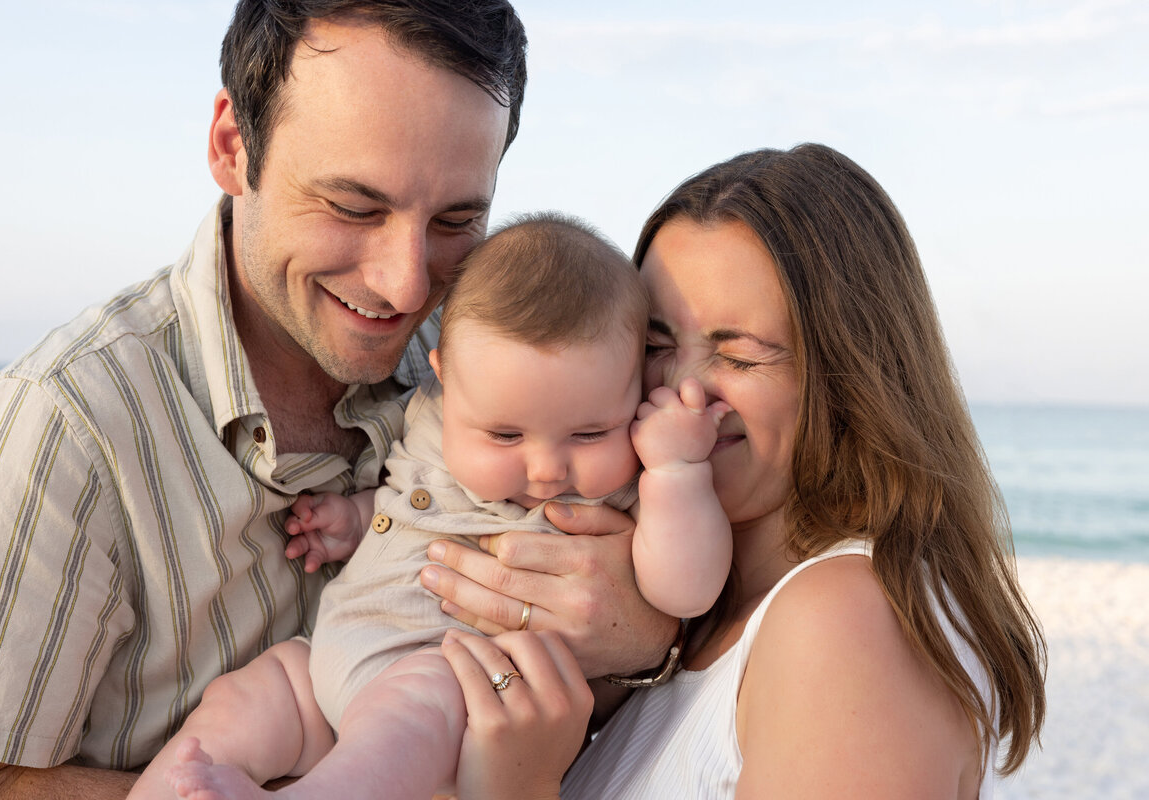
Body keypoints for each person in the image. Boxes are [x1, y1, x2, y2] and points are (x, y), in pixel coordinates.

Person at [0, 3, 675, 797]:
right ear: (233, 147)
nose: (406, 283)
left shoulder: (489, 361)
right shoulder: (66, 430)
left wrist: (644, 636)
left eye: (457, 219)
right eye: (354, 207)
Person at [431, 143, 1049, 798]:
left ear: (849, 377)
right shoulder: (686, 627)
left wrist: (515, 787)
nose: (684, 390)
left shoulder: (845, 622)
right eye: (655, 345)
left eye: (741, 357)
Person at [128, 212, 732, 799]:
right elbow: (410, 499)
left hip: (457, 695)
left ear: (635, 391)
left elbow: (686, 590)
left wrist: (680, 472)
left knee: (417, 701)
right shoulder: (430, 418)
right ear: (445, 378)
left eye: (589, 433)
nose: (547, 468)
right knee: (240, 702)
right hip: (329, 661)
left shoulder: (632, 480)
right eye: (505, 436)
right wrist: (357, 520)